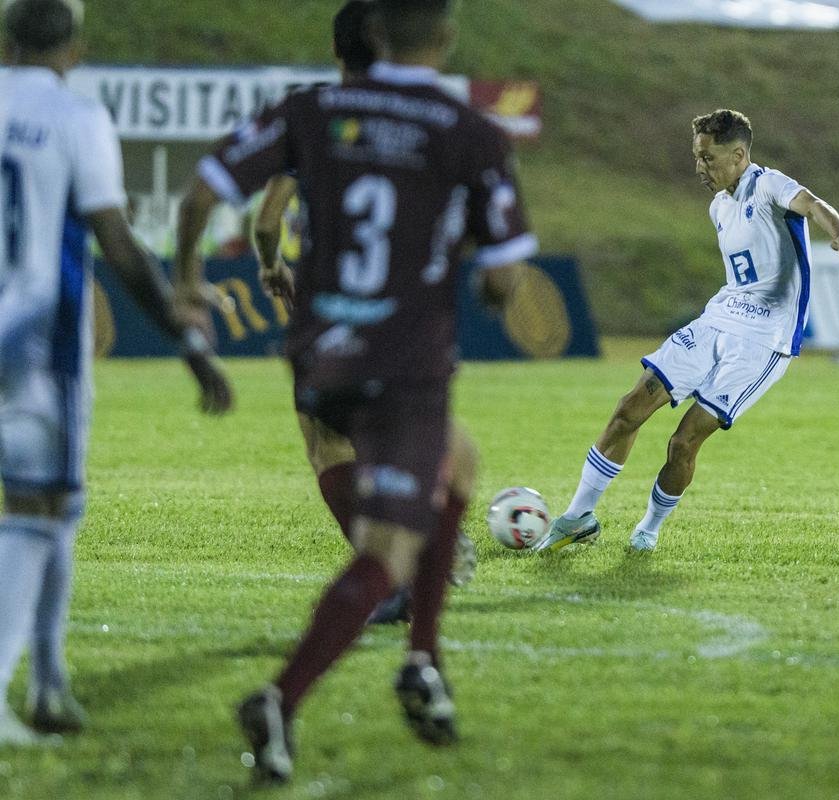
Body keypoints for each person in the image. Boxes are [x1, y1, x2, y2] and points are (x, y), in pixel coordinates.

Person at [173, 0, 536, 783]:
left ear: (369, 38)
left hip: (319, 346)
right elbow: (504, 282)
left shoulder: (311, 112)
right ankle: (285, 696)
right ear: (444, 39)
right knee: (388, 553)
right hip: (404, 359)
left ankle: (423, 661)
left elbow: (208, 196)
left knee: (458, 464)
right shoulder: (467, 132)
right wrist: (478, 271)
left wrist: (192, 288)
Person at [0, 0, 231, 746]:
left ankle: (49, 682)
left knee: (54, 512)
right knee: (38, 510)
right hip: (36, 344)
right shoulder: (76, 118)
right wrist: (187, 344)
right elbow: (119, 245)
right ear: (76, 48)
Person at [537, 109, 839, 554]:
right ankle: (578, 517)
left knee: (683, 441)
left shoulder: (768, 185)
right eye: (697, 157)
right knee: (629, 409)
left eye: (708, 158)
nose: (699, 167)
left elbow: (812, 204)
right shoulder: (718, 206)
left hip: (763, 341)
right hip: (718, 319)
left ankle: (649, 529)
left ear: (739, 154)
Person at [253, 0, 476, 629]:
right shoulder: (432, 119)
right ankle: (427, 541)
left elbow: (269, 220)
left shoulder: (320, 115)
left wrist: (272, 264)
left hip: (332, 308)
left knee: (326, 441)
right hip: (408, 308)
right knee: (415, 428)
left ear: (338, 52)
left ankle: (394, 566)